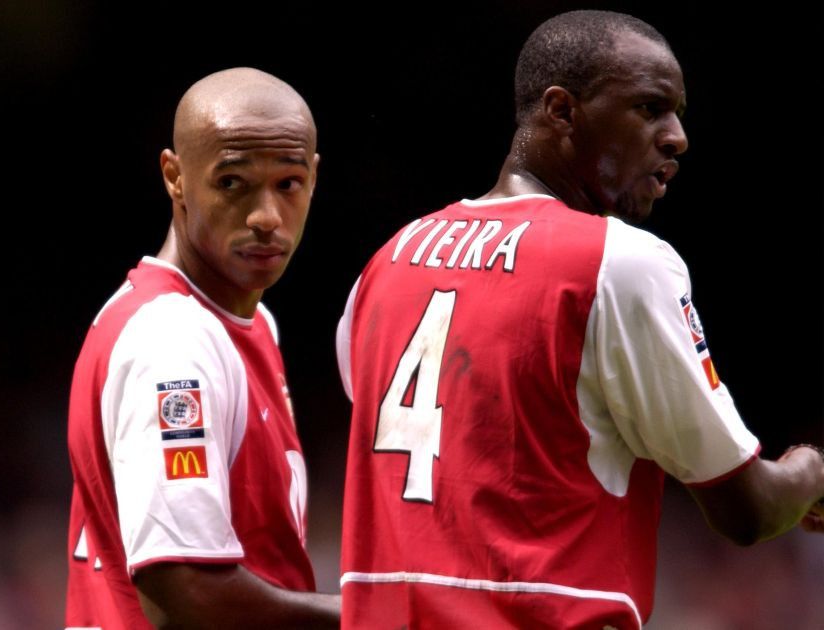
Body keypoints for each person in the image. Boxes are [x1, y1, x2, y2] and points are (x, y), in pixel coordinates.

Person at [336, 10, 824, 629]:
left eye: (677, 113)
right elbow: (747, 510)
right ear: (562, 111)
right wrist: (811, 468)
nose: (677, 137)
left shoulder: (387, 261)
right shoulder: (618, 262)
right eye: (649, 109)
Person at [65, 67, 340, 629]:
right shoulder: (172, 341)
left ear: (314, 177)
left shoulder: (243, 323)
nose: (266, 217)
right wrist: (380, 615)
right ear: (175, 177)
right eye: (232, 183)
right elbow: (186, 595)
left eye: (288, 183)